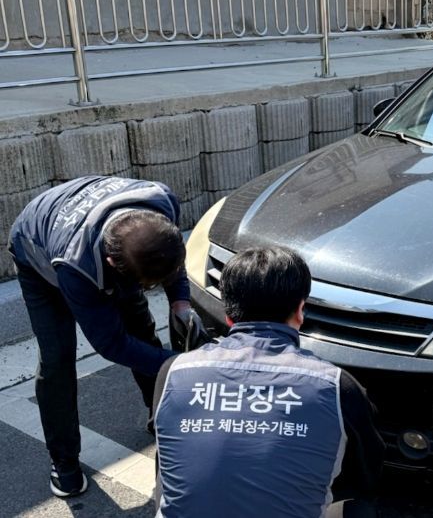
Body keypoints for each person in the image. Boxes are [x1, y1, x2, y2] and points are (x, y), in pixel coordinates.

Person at [7, 175, 207, 497]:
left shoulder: (161, 202)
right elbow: (110, 344)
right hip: (38, 249)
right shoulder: (77, 267)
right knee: (57, 357)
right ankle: (65, 463)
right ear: (113, 264)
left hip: (96, 235)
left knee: (140, 327)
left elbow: (171, 257)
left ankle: (161, 419)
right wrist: (180, 364)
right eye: (145, 284)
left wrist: (181, 304)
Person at [153, 246, 384, 518]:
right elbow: (366, 474)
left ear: (229, 315)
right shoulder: (336, 386)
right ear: (300, 311)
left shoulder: (173, 372)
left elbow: (168, 461)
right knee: (358, 508)